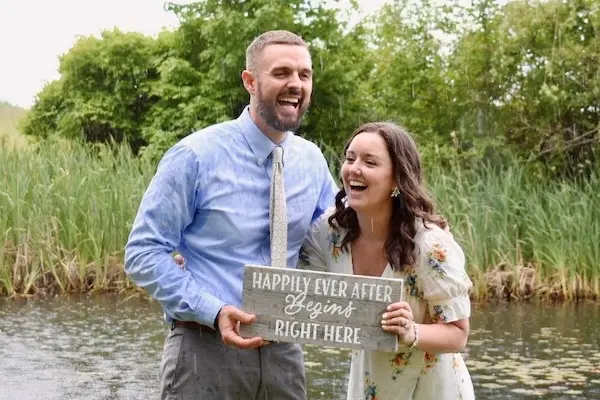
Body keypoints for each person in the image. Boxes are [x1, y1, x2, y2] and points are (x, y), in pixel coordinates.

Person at [124, 30, 338, 400]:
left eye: (304, 75)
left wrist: (416, 225)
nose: (295, 84)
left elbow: (340, 235)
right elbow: (143, 253)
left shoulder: (312, 161)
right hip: (203, 348)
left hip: (284, 351)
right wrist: (214, 309)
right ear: (250, 81)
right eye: (281, 72)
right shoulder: (194, 156)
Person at [300, 122, 475, 400]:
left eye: (370, 162)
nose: (354, 169)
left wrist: (411, 331)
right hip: (368, 387)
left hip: (431, 389)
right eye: (350, 158)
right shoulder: (331, 234)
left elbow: (458, 335)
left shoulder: (430, 245)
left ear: (396, 179)